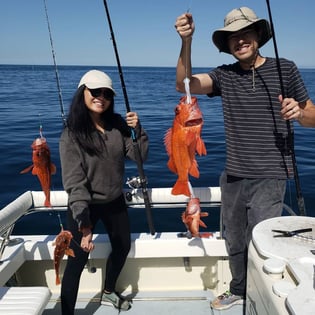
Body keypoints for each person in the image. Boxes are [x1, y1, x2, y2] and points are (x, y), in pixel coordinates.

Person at [174, 6, 315, 311]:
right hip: (234, 174)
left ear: (258, 35)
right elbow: (184, 85)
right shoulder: (225, 76)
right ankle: (239, 288)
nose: (240, 41)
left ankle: (262, 294)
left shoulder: (285, 69)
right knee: (235, 239)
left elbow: (312, 116)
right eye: (233, 38)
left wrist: (300, 112)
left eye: (245, 34)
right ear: (227, 45)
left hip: (271, 174)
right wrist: (186, 42)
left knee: (262, 240)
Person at [59, 69, 149, 314]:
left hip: (115, 201)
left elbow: (138, 155)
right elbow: (74, 182)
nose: (101, 97)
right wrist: (84, 224)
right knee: (76, 261)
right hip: (84, 207)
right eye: (94, 92)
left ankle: (108, 291)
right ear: (82, 94)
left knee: (122, 247)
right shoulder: (71, 134)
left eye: (106, 94)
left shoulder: (118, 125)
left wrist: (137, 129)